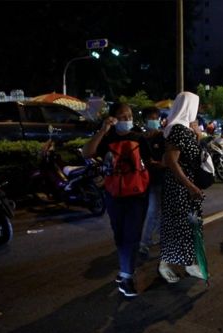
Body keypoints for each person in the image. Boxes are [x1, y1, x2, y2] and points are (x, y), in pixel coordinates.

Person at [82, 102, 152, 297]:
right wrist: (103, 130)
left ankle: (127, 277)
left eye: (129, 116)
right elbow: (87, 152)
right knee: (120, 236)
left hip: (138, 195)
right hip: (114, 195)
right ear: (112, 119)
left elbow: (150, 163)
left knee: (132, 235)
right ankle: (125, 270)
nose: (127, 120)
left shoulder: (139, 137)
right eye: (122, 117)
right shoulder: (107, 138)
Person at [158, 91, 206, 283]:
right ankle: (166, 265)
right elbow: (171, 161)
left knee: (187, 225)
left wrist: (198, 136)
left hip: (183, 186)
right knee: (179, 226)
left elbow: (190, 155)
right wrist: (189, 186)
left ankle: (189, 263)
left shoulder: (182, 128)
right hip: (179, 188)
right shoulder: (177, 128)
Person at [137, 106, 166, 259]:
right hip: (150, 180)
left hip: (164, 179)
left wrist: (160, 163)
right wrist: (158, 163)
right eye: (151, 118)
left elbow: (165, 159)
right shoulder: (143, 139)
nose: (153, 121)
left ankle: (160, 238)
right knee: (153, 210)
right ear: (145, 120)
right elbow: (147, 160)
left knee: (161, 210)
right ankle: (144, 242)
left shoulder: (163, 136)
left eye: (156, 118)